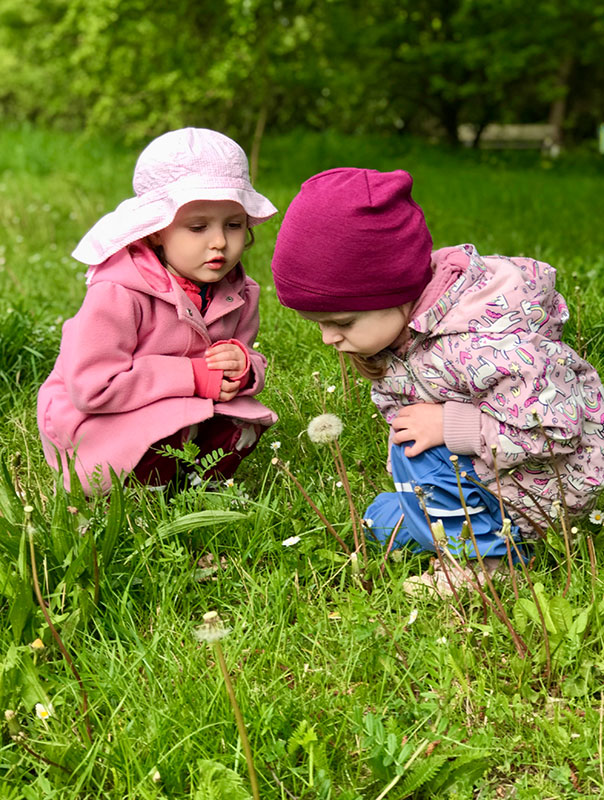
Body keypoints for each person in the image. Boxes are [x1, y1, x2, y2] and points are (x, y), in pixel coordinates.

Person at [270, 167, 604, 591]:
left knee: (420, 450)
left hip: (545, 484)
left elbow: (557, 429)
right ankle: (458, 529)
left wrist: (451, 425)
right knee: (379, 521)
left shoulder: (483, 342)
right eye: (317, 323)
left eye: (342, 321)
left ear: (394, 291)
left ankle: (491, 564)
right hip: (491, 481)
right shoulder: (404, 333)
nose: (328, 337)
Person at [37, 128, 278, 494]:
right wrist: (194, 375)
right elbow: (92, 388)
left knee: (246, 421)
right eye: (198, 227)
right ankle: (146, 489)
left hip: (182, 407)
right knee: (158, 436)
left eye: (234, 224)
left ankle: (196, 483)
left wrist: (243, 368)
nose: (219, 242)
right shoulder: (118, 293)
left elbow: (246, 355)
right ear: (155, 233)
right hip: (99, 420)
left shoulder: (238, 292)